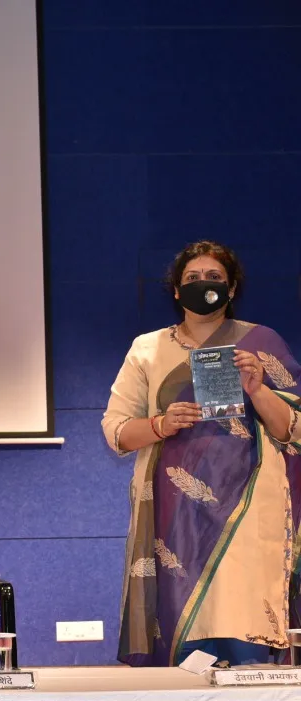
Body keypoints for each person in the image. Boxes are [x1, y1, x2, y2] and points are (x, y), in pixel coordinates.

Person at [103, 240, 301, 668]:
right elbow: (116, 432)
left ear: (232, 288)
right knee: (183, 616)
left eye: (214, 277)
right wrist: (161, 424)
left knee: (241, 615)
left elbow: (293, 429)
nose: (203, 284)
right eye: (192, 278)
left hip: (248, 508)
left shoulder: (261, 344)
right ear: (176, 290)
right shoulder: (148, 348)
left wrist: (258, 390)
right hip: (175, 512)